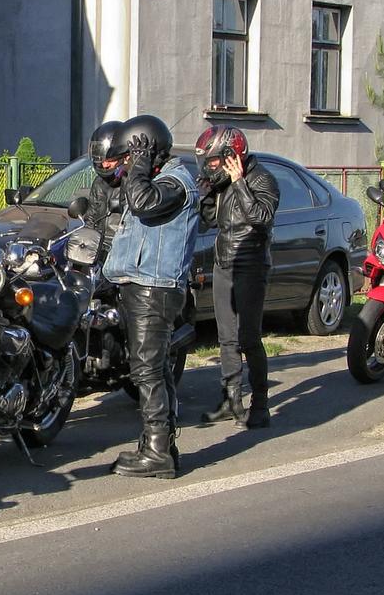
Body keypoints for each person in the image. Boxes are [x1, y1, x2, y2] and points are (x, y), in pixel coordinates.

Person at [102, 114, 200, 478]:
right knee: (153, 367)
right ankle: (158, 444)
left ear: (149, 151)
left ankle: (158, 452)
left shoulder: (175, 182)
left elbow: (143, 202)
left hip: (154, 289)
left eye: (131, 156)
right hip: (143, 287)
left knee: (146, 370)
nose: (127, 165)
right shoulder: (160, 179)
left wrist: (140, 166)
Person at [195, 126, 279, 429]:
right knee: (227, 338)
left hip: (251, 265)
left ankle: (260, 404)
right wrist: (206, 194)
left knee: (248, 338)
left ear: (233, 156)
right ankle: (231, 400)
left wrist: (239, 183)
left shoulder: (262, 179)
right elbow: (209, 221)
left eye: (214, 161)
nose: (210, 167)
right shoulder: (220, 184)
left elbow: (261, 217)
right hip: (224, 263)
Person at [84, 119, 126, 254]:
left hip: (122, 251)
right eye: (101, 159)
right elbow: (91, 219)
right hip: (99, 250)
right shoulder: (99, 183)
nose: (105, 165)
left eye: (110, 160)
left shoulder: (134, 184)